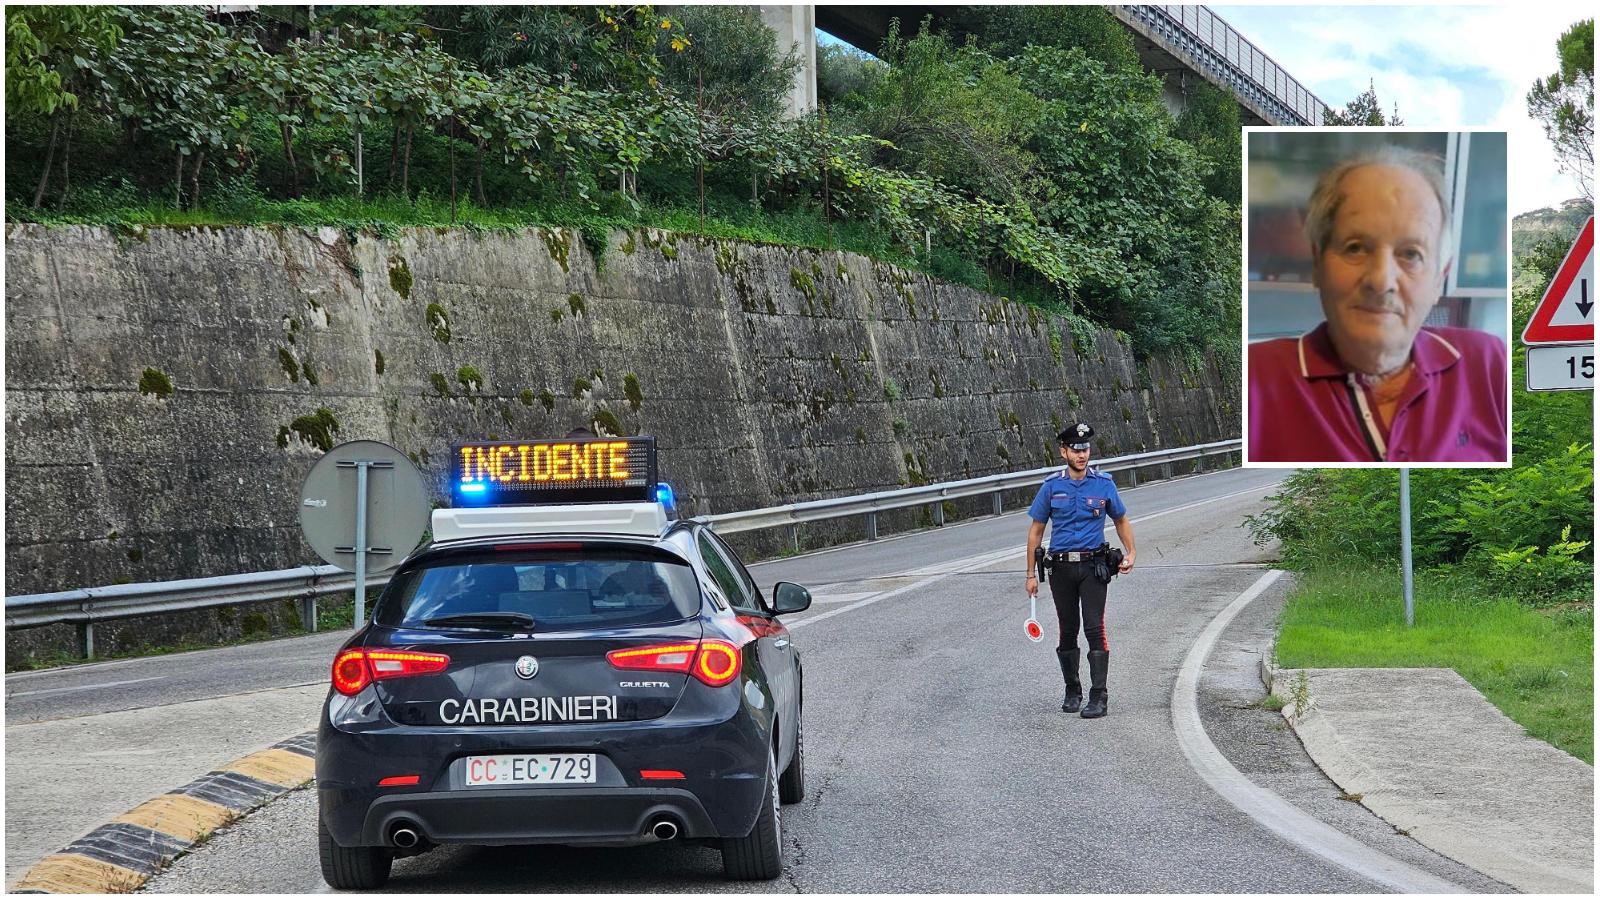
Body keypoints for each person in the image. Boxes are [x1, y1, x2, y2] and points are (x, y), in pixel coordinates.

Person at [1248, 146, 1507, 463]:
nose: (1381, 280)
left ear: (1440, 278)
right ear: (1318, 264)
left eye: (1411, 254)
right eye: (1355, 247)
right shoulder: (1255, 379)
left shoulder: (1491, 365)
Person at [1025, 423, 1136, 719]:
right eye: (1075, 449)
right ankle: (1072, 689)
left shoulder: (1104, 484)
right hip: (1061, 568)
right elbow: (1036, 531)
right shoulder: (1051, 487)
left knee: (1094, 627)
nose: (1081, 454)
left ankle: (1099, 696)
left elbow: (1121, 520)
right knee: (1067, 629)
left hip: (1093, 567)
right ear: (1064, 452)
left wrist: (1131, 552)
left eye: (1085, 449)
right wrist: (1030, 575)